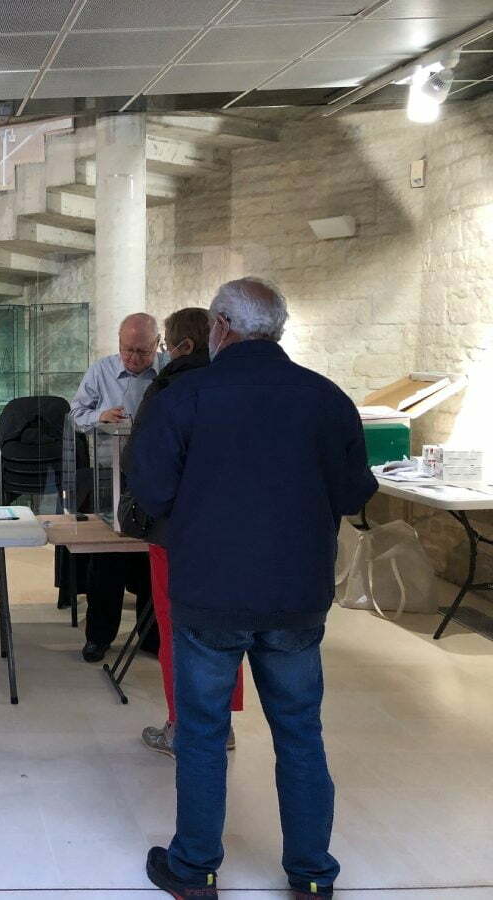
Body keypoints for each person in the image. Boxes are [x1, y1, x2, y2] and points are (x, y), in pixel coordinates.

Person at [128, 279, 377, 899]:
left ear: (220, 326)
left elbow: (151, 494)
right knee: (300, 731)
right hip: (297, 594)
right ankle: (312, 873)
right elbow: (354, 493)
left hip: (209, 592)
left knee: (203, 733)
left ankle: (195, 869)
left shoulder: (185, 398)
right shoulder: (326, 398)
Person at [118, 308, 245, 759]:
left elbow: (140, 462)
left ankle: (181, 727)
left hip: (176, 532)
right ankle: (221, 727)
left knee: (177, 629)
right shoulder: (238, 386)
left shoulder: (169, 387)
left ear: (181, 346)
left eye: (166, 345)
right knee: (223, 627)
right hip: (230, 530)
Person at [69, 312, 167, 663]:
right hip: (111, 476)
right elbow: (75, 414)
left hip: (157, 476)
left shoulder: (169, 370)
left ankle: (152, 636)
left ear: (157, 344)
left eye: (142, 351)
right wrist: (100, 416)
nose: (133, 358)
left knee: (151, 557)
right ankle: (99, 636)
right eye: (127, 350)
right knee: (107, 558)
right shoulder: (101, 371)